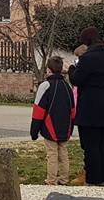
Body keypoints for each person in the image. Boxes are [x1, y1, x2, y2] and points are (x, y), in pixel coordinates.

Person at [68, 26, 104, 186]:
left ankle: (93, 178)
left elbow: (77, 79)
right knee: (102, 143)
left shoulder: (88, 58)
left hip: (91, 105)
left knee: (90, 145)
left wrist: (71, 69)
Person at [30, 56, 76, 185]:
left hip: (49, 125)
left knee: (52, 154)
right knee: (63, 153)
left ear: (49, 70)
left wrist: (34, 131)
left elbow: (38, 110)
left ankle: (51, 180)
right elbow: (72, 109)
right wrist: (71, 126)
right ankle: (64, 178)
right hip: (65, 125)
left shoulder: (45, 86)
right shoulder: (67, 86)